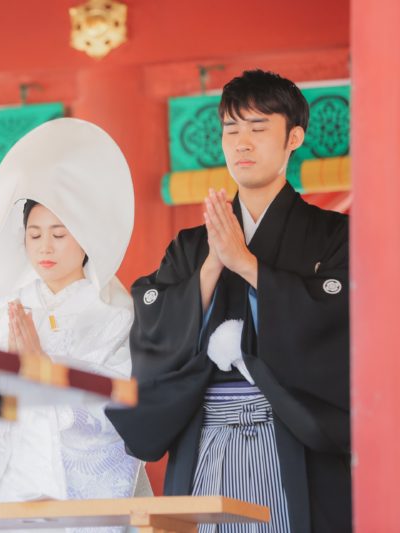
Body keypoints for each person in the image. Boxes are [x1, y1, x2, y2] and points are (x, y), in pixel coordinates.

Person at [107, 69, 350, 532]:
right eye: (231, 130)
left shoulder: (333, 235)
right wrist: (212, 267)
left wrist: (247, 265)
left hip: (293, 441)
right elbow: (153, 318)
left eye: (258, 129)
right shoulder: (191, 246)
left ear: (293, 138)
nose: (241, 143)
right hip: (207, 437)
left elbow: (340, 323)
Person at [0, 118, 150, 524]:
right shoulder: (2, 311)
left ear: (85, 237)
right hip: (4, 481)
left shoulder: (113, 312)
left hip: (76, 490)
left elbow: (118, 409)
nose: (45, 247)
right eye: (34, 235)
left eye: (59, 233)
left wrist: (47, 372)